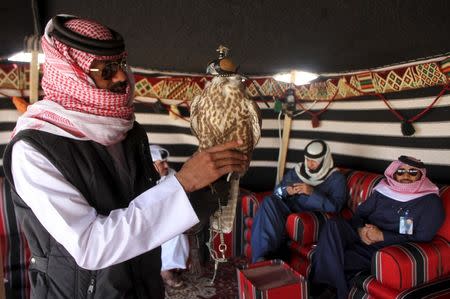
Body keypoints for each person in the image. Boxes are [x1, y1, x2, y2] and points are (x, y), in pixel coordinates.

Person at [2, 15, 247, 299]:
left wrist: (208, 184)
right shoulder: (33, 150)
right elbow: (91, 246)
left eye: (120, 65)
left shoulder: (127, 132)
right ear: (72, 74)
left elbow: (145, 211)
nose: (120, 77)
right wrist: (183, 184)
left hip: (141, 286)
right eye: (105, 70)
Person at [310, 156, 445, 299]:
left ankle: (325, 292)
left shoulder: (430, 202)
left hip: (383, 247)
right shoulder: (384, 190)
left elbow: (422, 237)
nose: (406, 176)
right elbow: (360, 213)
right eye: (400, 171)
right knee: (333, 224)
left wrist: (381, 236)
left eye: (412, 172)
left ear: (421, 175)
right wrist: (361, 230)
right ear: (394, 173)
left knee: (336, 258)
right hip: (363, 232)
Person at [251, 139, 347, 263]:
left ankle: (263, 261)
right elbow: (277, 191)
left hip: (308, 212)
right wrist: (286, 191)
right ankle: (260, 260)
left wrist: (312, 192)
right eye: (307, 159)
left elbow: (336, 206)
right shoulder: (298, 170)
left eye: (314, 161)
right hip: (289, 207)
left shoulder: (336, 178)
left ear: (325, 160)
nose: (309, 164)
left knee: (271, 222)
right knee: (269, 201)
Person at [150, 145, 189, 288]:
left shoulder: (171, 174)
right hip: (148, 219)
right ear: (152, 165)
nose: (166, 165)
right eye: (161, 163)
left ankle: (172, 266)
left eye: (166, 161)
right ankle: (165, 270)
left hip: (170, 215)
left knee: (177, 231)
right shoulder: (141, 177)